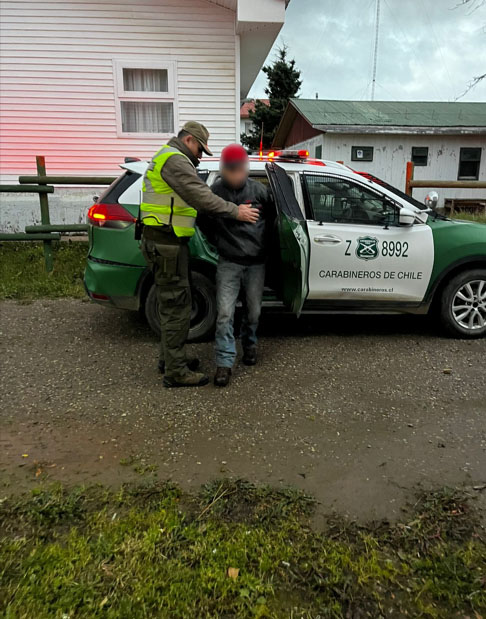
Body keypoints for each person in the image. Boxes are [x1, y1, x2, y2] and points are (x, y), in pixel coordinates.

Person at [140, 122, 259, 388]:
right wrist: (236, 211)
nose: (201, 156)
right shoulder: (175, 160)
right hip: (165, 244)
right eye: (200, 150)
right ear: (190, 140)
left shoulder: (168, 157)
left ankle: (171, 359)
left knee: (175, 303)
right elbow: (202, 197)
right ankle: (176, 372)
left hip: (167, 244)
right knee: (177, 307)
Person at [198, 144, 273, 387]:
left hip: (255, 263)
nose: (236, 175)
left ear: (245, 169)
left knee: (254, 312)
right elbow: (204, 221)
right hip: (229, 262)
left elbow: (273, 222)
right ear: (224, 170)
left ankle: (249, 345)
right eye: (231, 170)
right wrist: (219, 243)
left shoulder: (259, 191)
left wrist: (265, 248)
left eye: (240, 169)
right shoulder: (216, 191)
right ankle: (224, 363)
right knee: (224, 313)